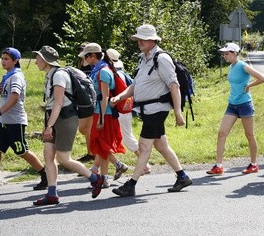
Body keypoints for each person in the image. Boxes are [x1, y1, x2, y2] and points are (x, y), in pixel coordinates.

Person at [110, 24, 192, 196]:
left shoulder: (161, 59)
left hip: (157, 109)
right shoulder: (143, 58)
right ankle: (182, 176)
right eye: (138, 39)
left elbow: (174, 85)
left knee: (144, 146)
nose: (139, 42)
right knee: (161, 145)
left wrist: (178, 112)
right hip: (147, 110)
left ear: (153, 40)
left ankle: (131, 184)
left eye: (143, 39)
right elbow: (136, 85)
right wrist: (120, 96)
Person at [32, 46, 106, 205]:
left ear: (45, 60)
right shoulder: (50, 75)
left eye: (38, 58)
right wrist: (48, 124)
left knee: (64, 158)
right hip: (53, 117)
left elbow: (59, 103)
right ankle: (52, 193)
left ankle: (95, 178)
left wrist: (49, 126)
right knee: (48, 155)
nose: (36, 61)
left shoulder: (59, 75)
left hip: (65, 118)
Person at [0, 48, 47, 194]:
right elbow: (8, 95)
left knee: (22, 151)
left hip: (15, 122)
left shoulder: (16, 77)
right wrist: (0, 90)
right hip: (4, 122)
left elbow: (14, 99)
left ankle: (45, 175)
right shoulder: (8, 76)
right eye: (2, 58)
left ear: (15, 61)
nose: (3, 61)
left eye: (6, 59)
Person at [206, 42, 264, 175]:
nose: (225, 56)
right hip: (232, 104)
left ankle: (254, 164)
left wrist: (249, 85)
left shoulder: (242, 65)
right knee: (221, 133)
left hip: (245, 104)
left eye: (227, 53)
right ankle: (218, 166)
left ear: (235, 54)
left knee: (249, 135)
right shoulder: (231, 67)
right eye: (224, 54)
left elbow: (263, 78)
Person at [79, 43, 126, 187]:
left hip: (105, 114)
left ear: (93, 56)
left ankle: (106, 176)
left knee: (102, 146)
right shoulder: (98, 70)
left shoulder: (103, 71)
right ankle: (112, 170)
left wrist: (101, 119)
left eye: (86, 56)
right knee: (100, 146)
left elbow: (105, 96)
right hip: (99, 112)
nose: (84, 59)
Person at [106, 48, 151, 176]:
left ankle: (145, 165)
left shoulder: (113, 74)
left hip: (119, 110)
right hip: (125, 109)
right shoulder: (122, 73)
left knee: (128, 138)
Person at [75, 42, 94, 163]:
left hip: (91, 99)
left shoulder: (93, 65)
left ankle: (92, 153)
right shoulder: (80, 63)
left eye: (83, 50)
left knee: (88, 129)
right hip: (82, 98)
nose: (81, 53)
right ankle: (91, 152)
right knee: (84, 129)